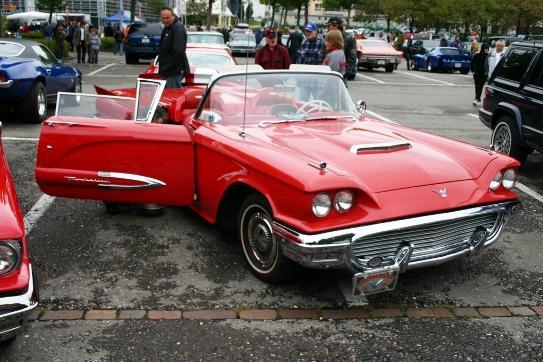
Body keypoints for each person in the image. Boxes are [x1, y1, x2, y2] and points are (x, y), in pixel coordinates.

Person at [157, 6, 190, 88]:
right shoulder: (168, 28)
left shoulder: (177, 28)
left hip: (173, 71)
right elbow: (164, 48)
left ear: (173, 16)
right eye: (163, 18)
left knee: (171, 96)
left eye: (167, 18)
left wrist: (166, 68)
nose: (165, 20)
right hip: (170, 70)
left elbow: (178, 51)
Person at [325, 17, 357, 81]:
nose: (327, 28)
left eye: (329, 26)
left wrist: (345, 73)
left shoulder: (349, 38)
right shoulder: (328, 36)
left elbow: (352, 57)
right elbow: (323, 53)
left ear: (335, 25)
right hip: (327, 72)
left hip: (340, 74)